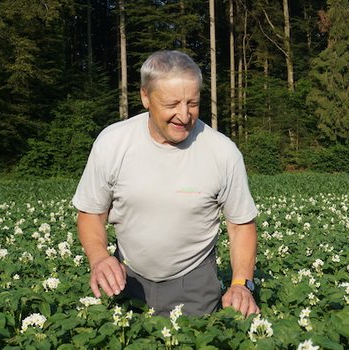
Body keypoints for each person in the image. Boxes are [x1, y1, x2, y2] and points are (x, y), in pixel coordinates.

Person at [72, 50, 260, 317]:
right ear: (145, 97)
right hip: (126, 278)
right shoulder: (113, 143)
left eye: (192, 103)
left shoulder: (222, 152)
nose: (184, 116)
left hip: (195, 285)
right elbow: (91, 213)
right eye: (172, 105)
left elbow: (241, 226)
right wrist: (100, 258)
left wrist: (242, 284)